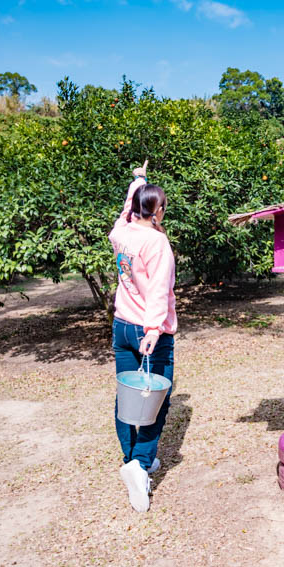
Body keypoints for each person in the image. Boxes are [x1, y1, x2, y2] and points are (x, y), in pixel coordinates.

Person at [108, 160, 177, 512]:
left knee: (128, 397)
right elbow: (158, 291)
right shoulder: (156, 242)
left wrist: (138, 180)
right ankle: (139, 464)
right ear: (159, 210)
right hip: (149, 330)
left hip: (121, 325)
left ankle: (133, 459)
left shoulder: (121, 232)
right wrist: (153, 330)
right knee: (155, 400)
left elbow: (127, 207)